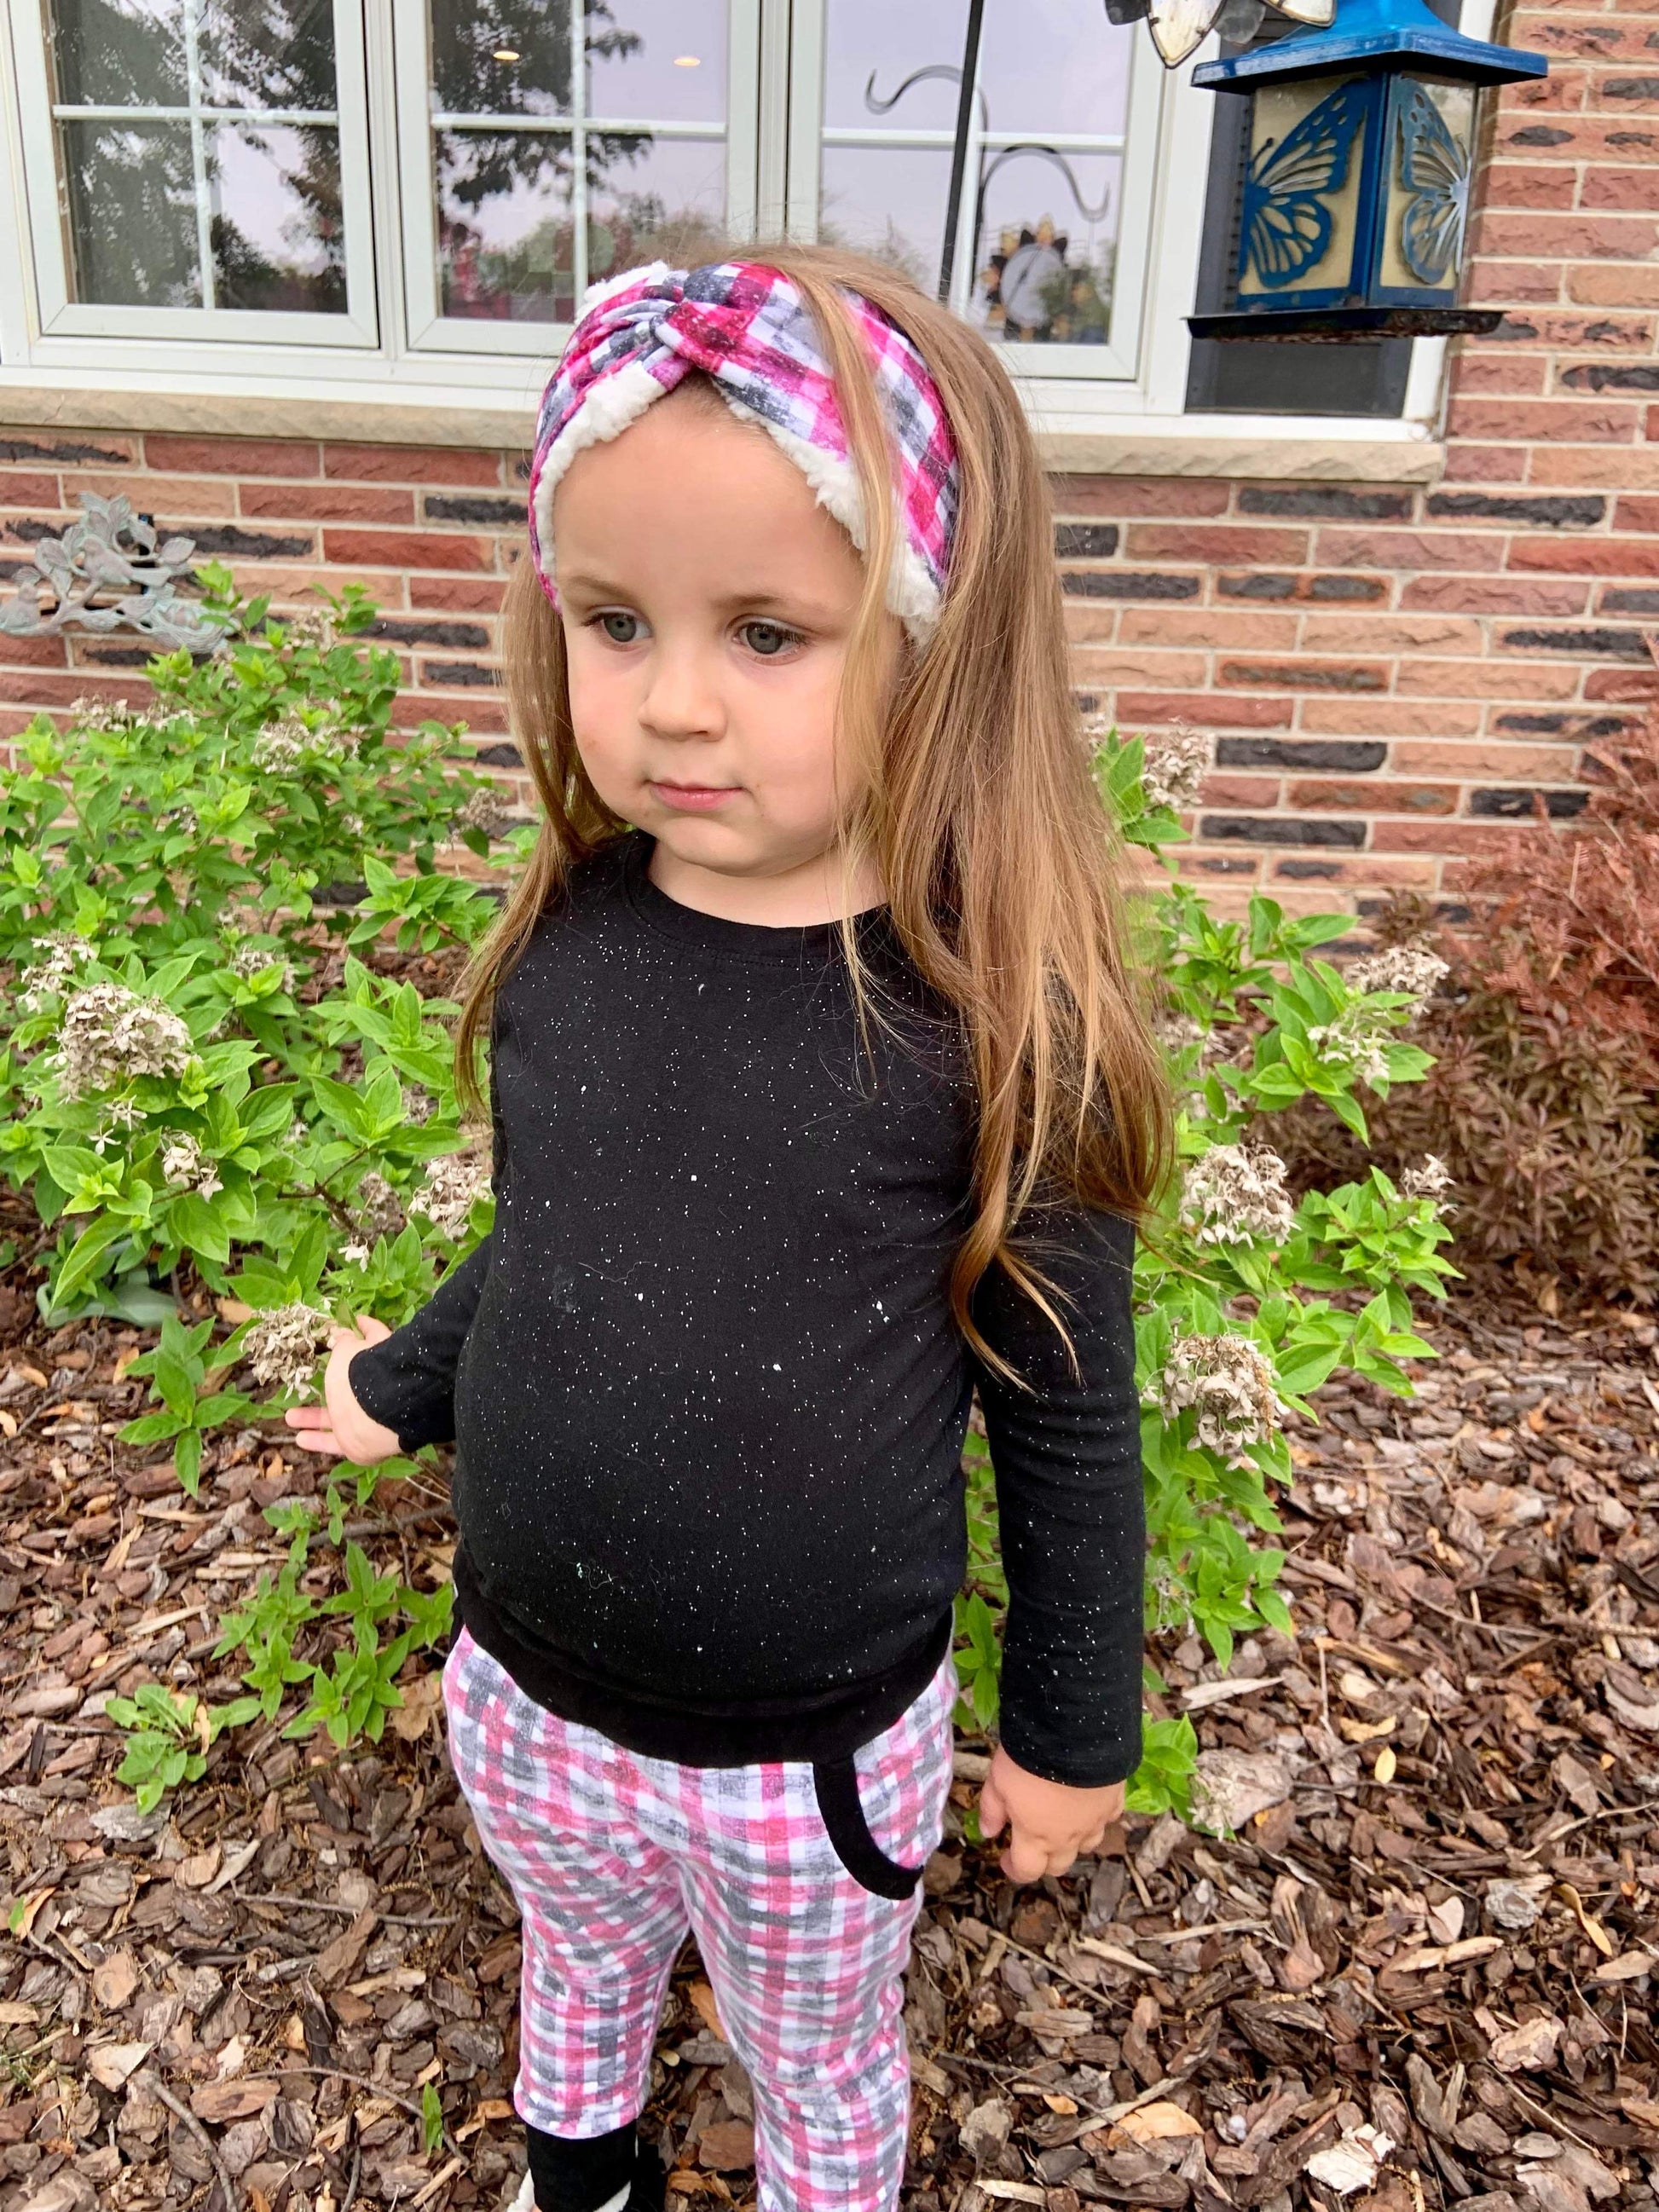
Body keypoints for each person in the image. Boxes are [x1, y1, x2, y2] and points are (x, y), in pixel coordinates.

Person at [286, 248, 1171, 2212]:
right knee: (576, 1974)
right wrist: (406, 1379)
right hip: (528, 1685)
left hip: (810, 1750)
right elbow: (551, 1238)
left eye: (769, 631)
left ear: (935, 636)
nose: (672, 700)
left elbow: (1067, 1415)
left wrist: (1068, 1727)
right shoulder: (578, 939)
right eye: (614, 619)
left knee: (816, 2053)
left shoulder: (987, 1020)